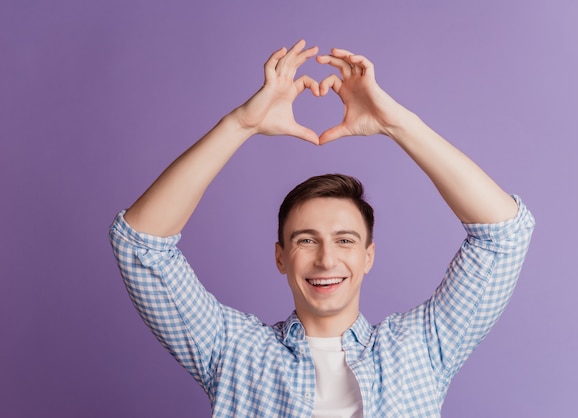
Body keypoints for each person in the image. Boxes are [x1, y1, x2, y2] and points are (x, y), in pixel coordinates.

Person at [109, 40, 535, 417]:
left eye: (345, 240)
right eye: (306, 240)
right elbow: (139, 246)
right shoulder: (234, 352)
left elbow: (503, 234)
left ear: (368, 255)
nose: (326, 258)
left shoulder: (421, 348)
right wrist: (242, 124)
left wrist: (397, 124)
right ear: (280, 256)